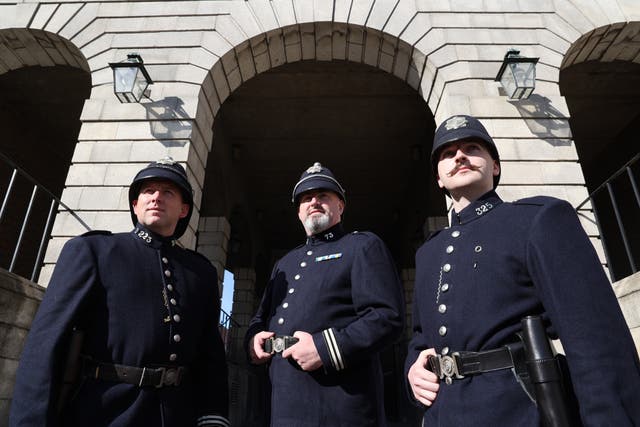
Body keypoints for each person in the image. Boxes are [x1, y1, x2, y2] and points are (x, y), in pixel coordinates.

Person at [405, 114, 640, 426]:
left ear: (496, 166)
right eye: (448, 154)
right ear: (439, 177)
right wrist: (413, 367)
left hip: (518, 410)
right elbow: (421, 337)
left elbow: (594, 341)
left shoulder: (537, 221)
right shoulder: (428, 253)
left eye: (472, 148)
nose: (459, 156)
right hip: (444, 415)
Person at [10, 158, 230, 427]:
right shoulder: (96, 251)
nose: (156, 198)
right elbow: (45, 344)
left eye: (168, 192)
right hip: (104, 412)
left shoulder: (200, 272)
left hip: (176, 415)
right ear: (135, 205)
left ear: (184, 210)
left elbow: (210, 355)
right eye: (148, 191)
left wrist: (213, 417)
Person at [246, 162, 404, 426]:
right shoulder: (284, 264)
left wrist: (325, 348)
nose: (314, 202)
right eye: (306, 198)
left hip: (340, 405)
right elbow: (259, 318)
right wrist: (252, 341)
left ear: (340, 206)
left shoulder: (361, 246)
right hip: (283, 404)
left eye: (323, 196)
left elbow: (387, 317)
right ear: (298, 212)